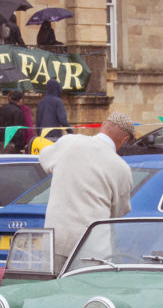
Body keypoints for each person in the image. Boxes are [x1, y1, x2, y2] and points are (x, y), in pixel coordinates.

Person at [39, 111, 135, 271]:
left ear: (103, 125)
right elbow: (119, 212)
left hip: (55, 239)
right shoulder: (121, 168)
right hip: (92, 248)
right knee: (85, 294)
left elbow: (44, 159)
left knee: (51, 293)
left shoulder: (69, 141)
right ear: (124, 140)